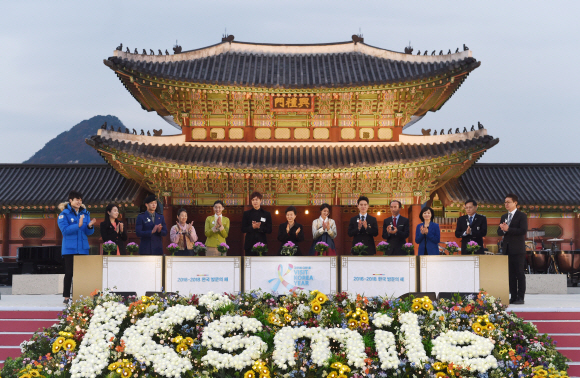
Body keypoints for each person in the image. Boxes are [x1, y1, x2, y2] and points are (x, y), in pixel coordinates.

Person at [57, 190, 96, 305]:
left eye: (80, 199)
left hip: (83, 248)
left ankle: (80, 295)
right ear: (70, 200)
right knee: (69, 273)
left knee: (82, 274)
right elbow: (64, 230)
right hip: (70, 248)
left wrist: (89, 226)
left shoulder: (85, 214)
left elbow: (88, 233)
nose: (79, 202)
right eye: (76, 199)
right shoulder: (63, 214)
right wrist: (77, 225)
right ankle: (66, 296)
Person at [498, 193, 528, 305]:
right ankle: (513, 296)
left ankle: (521, 297)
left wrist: (508, 229)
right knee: (510, 274)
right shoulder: (503, 217)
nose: (506, 204)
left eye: (508, 202)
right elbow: (499, 231)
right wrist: (503, 229)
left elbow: (523, 231)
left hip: (518, 249)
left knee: (519, 273)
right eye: (505, 202)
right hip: (507, 249)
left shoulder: (521, 216)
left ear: (515, 203)